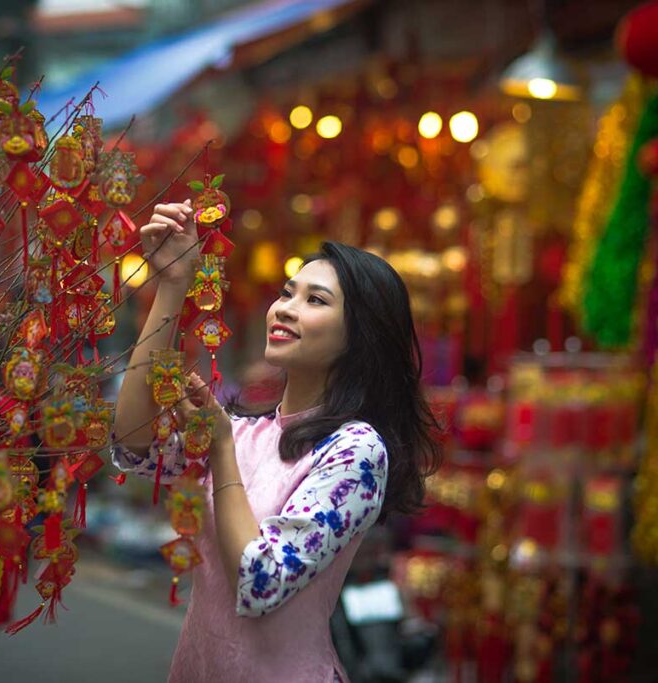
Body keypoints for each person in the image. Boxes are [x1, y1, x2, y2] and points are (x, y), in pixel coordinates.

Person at [112, 200, 443, 683]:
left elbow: (260, 579)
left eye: (316, 300)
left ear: (360, 337)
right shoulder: (244, 430)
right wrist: (172, 284)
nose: (285, 308)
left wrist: (221, 450)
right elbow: (132, 442)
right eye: (288, 293)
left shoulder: (355, 451)